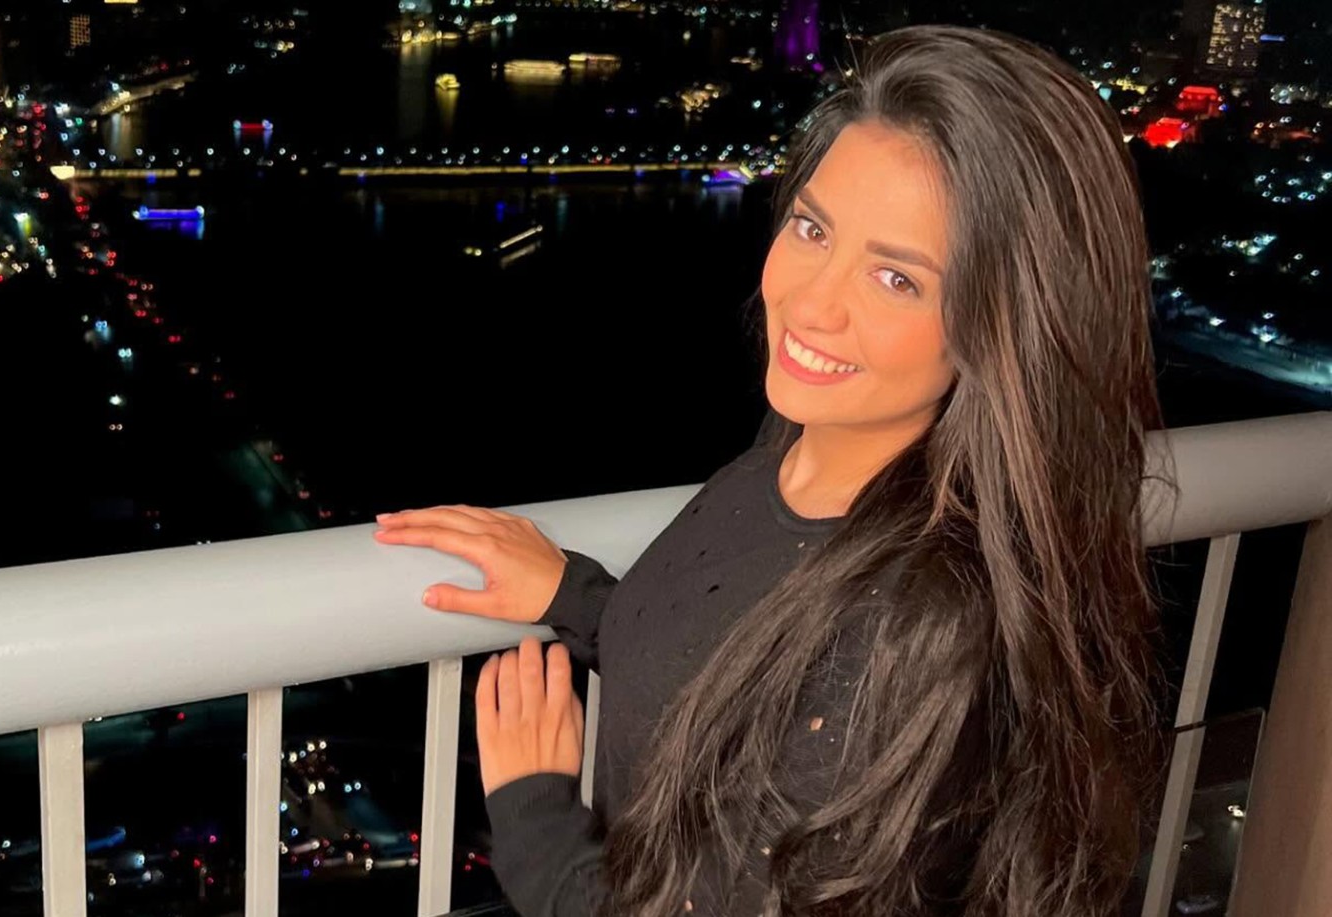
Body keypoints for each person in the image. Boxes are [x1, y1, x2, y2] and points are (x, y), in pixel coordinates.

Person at [374, 23, 1174, 917]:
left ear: (1002, 325)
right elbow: (746, 659)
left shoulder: (910, 632)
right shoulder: (800, 444)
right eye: (812, 227)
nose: (812, 301)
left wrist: (533, 817)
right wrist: (578, 596)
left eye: (897, 279)